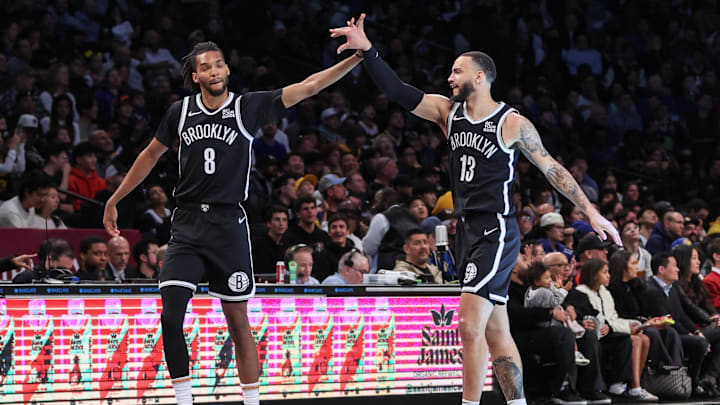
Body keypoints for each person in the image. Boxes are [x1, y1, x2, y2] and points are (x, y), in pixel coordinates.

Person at [330, 14, 620, 405]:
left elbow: (552, 168)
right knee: (495, 332)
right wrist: (369, 51)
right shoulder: (448, 114)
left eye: (456, 70)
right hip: (466, 230)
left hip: (496, 229)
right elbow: (399, 91)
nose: (450, 77)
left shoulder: (511, 122)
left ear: (480, 76)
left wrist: (591, 211)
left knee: (468, 325)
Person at [102, 41, 362, 405]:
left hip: (229, 224)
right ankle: (183, 400)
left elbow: (308, 87)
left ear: (226, 70)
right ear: (196, 76)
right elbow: (149, 155)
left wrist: (355, 59)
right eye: (206, 67)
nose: (215, 71)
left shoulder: (247, 106)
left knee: (238, 321)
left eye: (220, 65)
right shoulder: (180, 111)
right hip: (188, 223)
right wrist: (116, 199)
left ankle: (251, 401)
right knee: (170, 315)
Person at [564, 259, 657, 401]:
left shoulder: (605, 292)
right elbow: (590, 315)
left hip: (608, 331)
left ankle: (633, 385)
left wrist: (634, 324)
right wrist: (616, 326)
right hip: (596, 335)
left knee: (643, 338)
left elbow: (612, 318)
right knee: (632, 340)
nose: (609, 276)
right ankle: (624, 385)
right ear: (594, 275)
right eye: (605, 272)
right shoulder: (580, 292)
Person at [607, 250, 683, 371]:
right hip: (625, 326)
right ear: (622, 267)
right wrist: (646, 323)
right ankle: (663, 366)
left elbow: (645, 311)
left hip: (643, 323)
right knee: (652, 333)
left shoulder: (637, 286)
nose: (637, 267)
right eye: (633, 263)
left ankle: (677, 369)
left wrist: (653, 321)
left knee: (669, 331)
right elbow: (621, 315)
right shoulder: (612, 289)